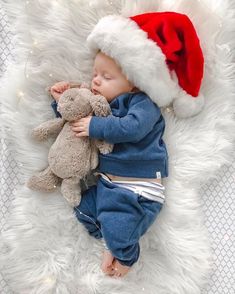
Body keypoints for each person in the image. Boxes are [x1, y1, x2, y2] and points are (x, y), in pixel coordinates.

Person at [49, 12, 204, 278]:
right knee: (84, 208)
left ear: (134, 84)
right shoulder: (101, 105)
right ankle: (113, 237)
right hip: (109, 183)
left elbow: (131, 129)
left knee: (116, 222)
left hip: (137, 186)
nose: (96, 80)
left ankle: (126, 254)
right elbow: (75, 123)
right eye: (95, 73)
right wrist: (60, 101)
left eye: (106, 77)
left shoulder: (142, 105)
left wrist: (94, 127)